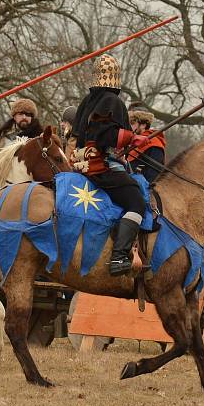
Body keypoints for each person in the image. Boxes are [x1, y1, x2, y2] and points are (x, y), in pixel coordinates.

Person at [70, 54, 148, 276]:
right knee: (136, 201)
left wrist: (128, 141)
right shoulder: (111, 101)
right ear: (115, 77)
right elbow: (105, 136)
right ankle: (119, 256)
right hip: (99, 166)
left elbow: (90, 134)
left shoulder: (88, 101)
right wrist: (133, 138)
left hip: (82, 163)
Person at [0, 98, 42, 166]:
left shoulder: (39, 139)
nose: (24, 117)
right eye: (20, 114)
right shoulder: (1, 137)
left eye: (28, 114)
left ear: (32, 118)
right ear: (14, 116)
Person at [125, 105, 166, 183]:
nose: (129, 126)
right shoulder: (131, 141)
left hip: (139, 188)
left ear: (143, 125)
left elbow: (153, 174)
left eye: (132, 122)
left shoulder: (154, 144)